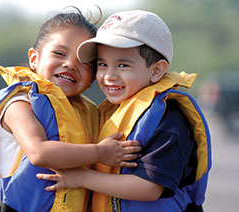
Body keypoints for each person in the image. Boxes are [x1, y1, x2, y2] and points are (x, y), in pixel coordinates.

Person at [0, 8, 141, 212]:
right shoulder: (19, 103)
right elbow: (39, 152)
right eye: (59, 53)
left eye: (84, 62)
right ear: (34, 58)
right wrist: (101, 152)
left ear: (92, 78)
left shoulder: (87, 114)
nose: (70, 64)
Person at [36, 10, 212, 212]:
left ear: (156, 70)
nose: (109, 76)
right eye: (102, 64)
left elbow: (150, 188)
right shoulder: (113, 112)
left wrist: (83, 177)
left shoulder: (168, 118)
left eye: (123, 65)